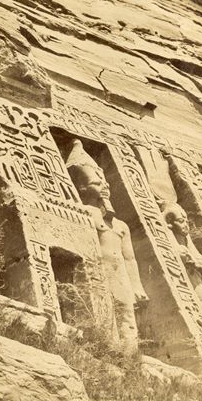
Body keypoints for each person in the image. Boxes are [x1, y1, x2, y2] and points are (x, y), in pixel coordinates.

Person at [66, 139, 148, 345]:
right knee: (104, 314)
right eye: (96, 183)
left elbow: (130, 258)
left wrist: (137, 285)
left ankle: (130, 359)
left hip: (120, 273)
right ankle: (108, 349)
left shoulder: (121, 225)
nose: (103, 188)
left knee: (127, 315)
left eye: (105, 184)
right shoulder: (83, 212)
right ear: (81, 188)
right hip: (96, 271)